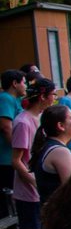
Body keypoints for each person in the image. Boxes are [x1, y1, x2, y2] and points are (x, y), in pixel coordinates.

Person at [12, 79, 56, 229]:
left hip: (38, 188)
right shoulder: (23, 122)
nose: (54, 98)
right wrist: (33, 180)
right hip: (27, 190)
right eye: (52, 94)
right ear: (42, 96)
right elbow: (17, 160)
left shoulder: (38, 119)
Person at [0, 70, 27, 211]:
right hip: (6, 158)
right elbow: (6, 127)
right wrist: (19, 148)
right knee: (8, 194)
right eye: (24, 82)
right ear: (15, 84)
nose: (26, 86)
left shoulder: (14, 100)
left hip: (12, 157)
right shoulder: (5, 98)